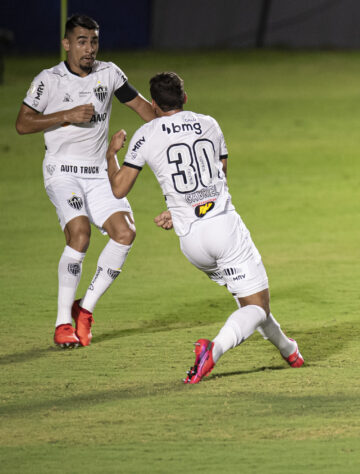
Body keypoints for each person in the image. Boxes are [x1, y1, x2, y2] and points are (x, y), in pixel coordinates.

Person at [104, 72, 304, 383]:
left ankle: (290, 351)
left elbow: (118, 189)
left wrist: (110, 154)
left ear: (154, 104)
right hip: (223, 228)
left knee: (249, 300)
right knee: (257, 308)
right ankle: (213, 350)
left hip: (191, 242)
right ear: (185, 98)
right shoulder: (209, 123)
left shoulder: (145, 135)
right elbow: (219, 174)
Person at [15, 14, 155, 348]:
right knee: (80, 234)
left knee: (125, 233)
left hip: (97, 172)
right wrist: (67, 115)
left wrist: (176, 122)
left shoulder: (110, 73)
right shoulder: (48, 80)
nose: (89, 48)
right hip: (62, 171)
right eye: (81, 41)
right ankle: (62, 322)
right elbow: (22, 124)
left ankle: (85, 309)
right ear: (66, 44)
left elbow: (145, 111)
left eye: (93, 41)